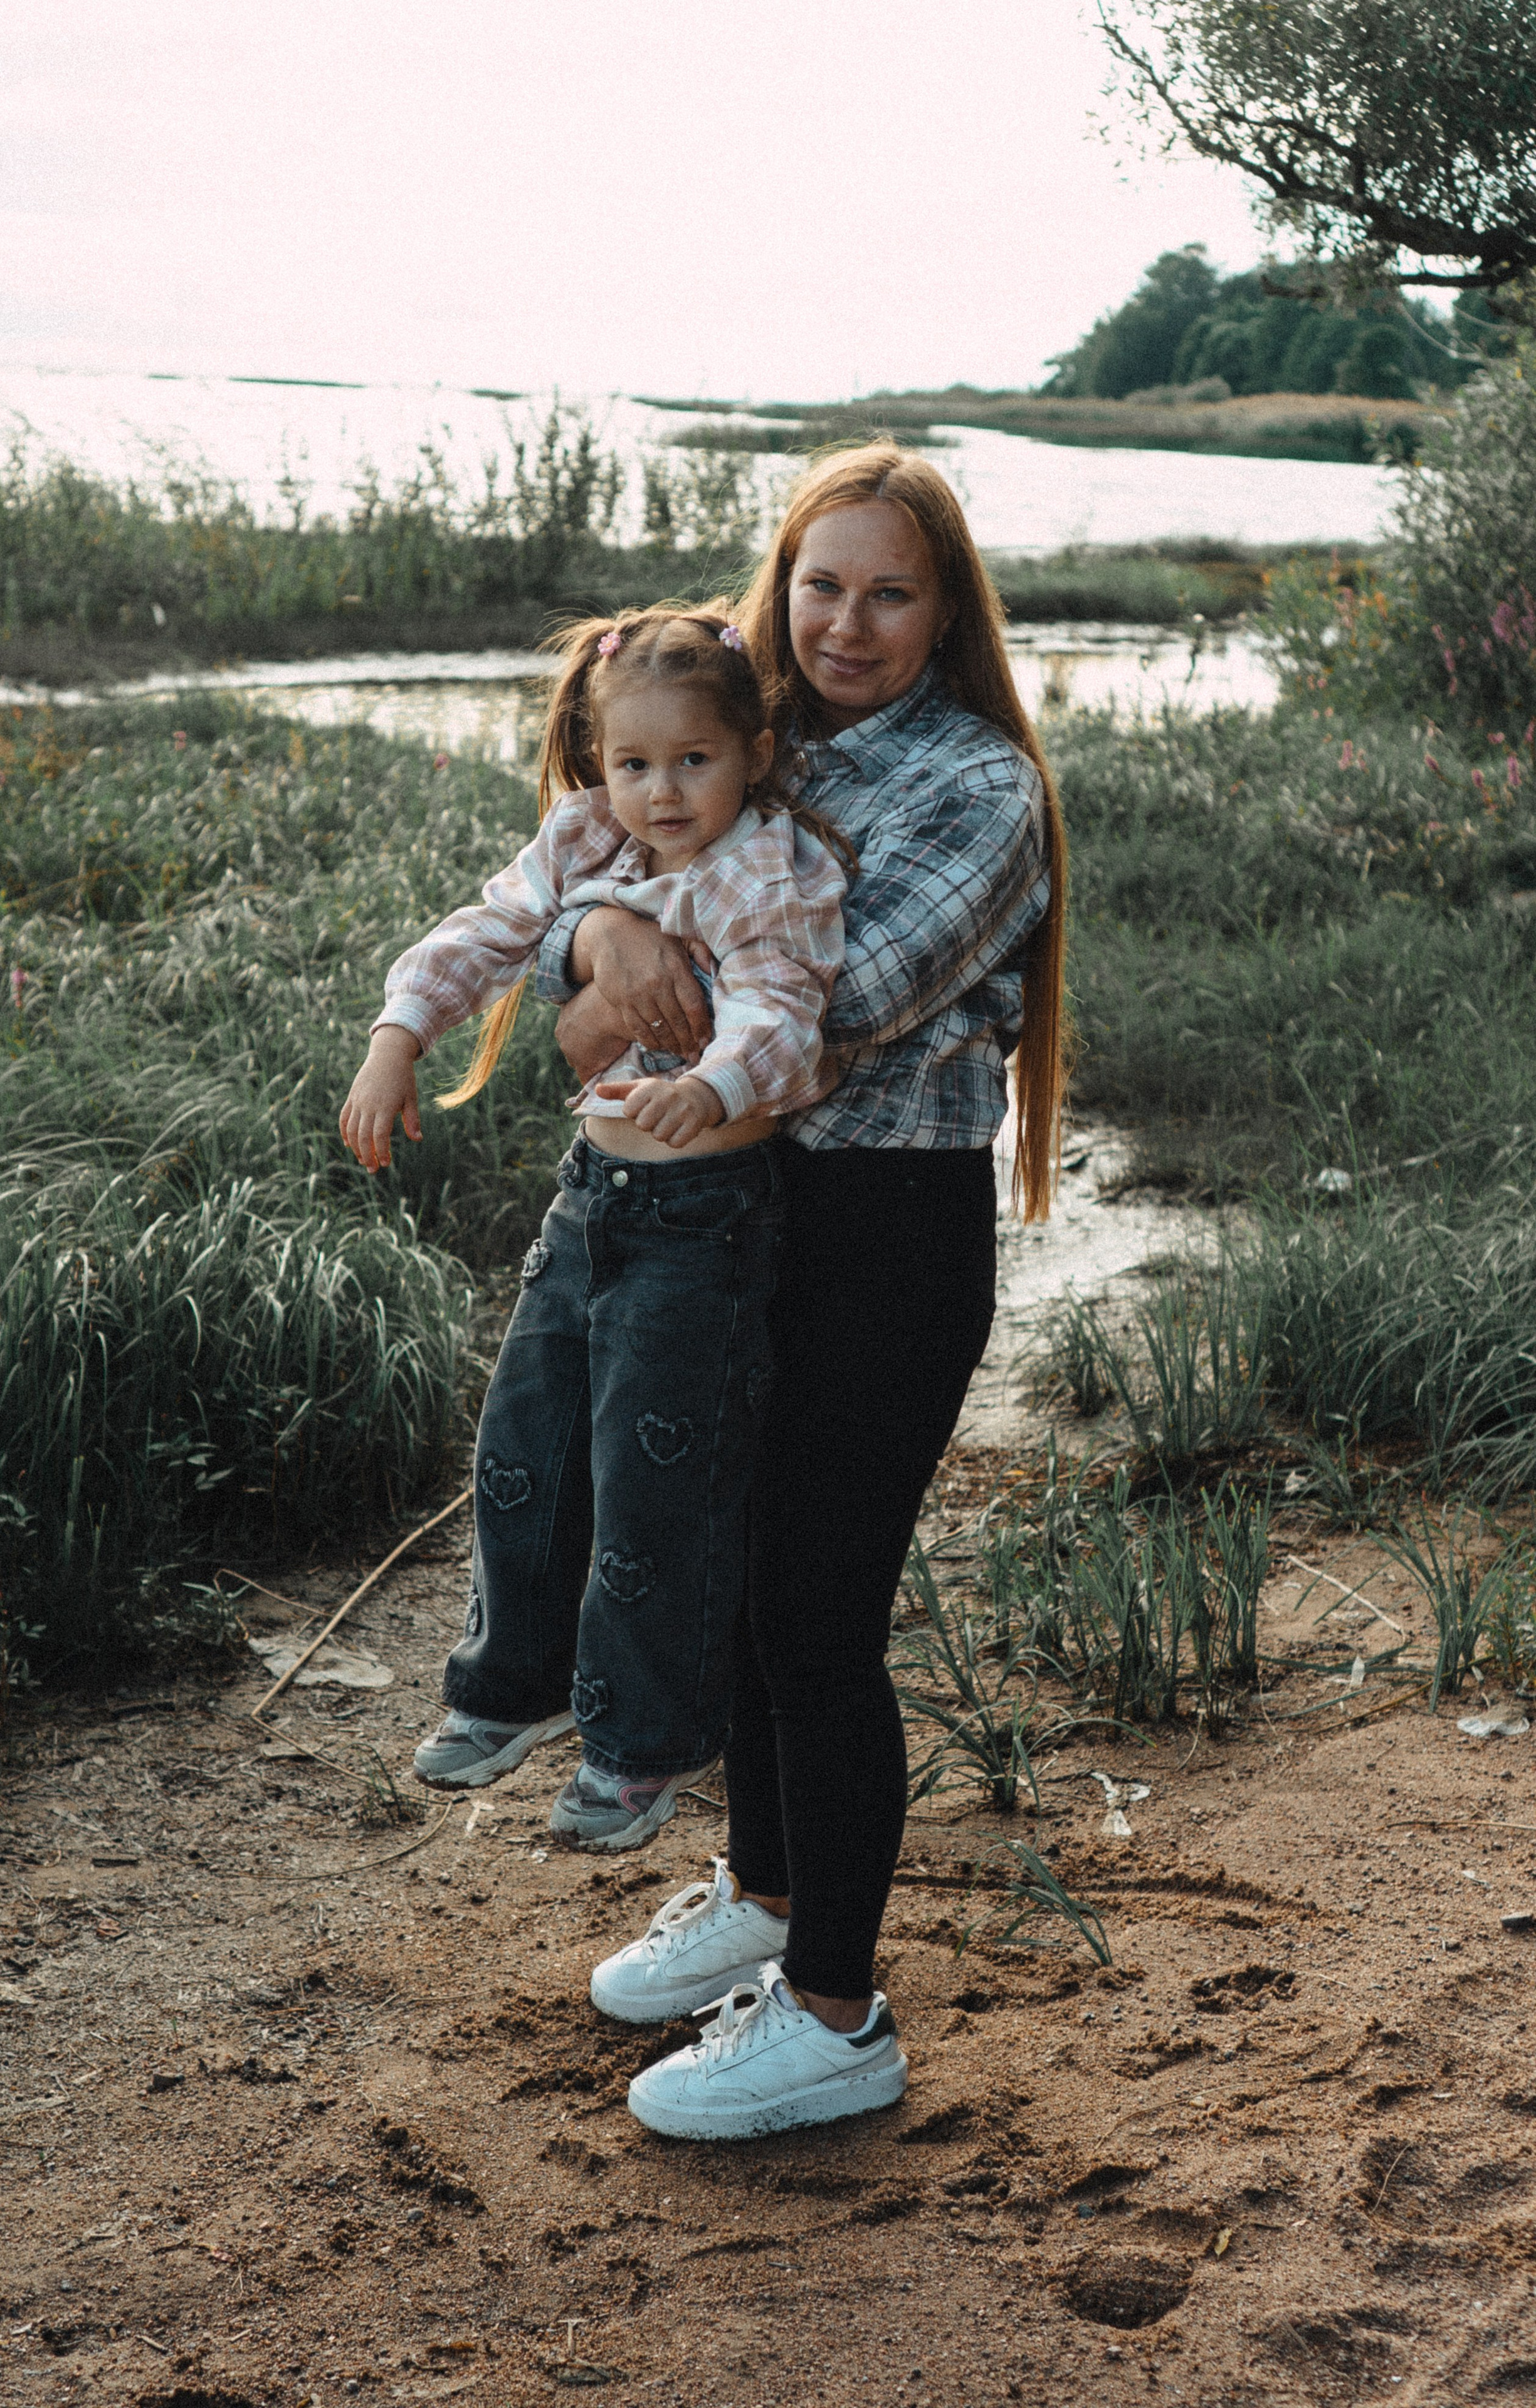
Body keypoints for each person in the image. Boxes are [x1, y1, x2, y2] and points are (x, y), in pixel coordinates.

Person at [545, 445, 1070, 2138]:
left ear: (945, 611)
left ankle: (838, 2014)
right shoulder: (749, 736)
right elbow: (575, 862)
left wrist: (625, 951)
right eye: (820, 583)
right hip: (742, 1220)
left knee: (821, 1613)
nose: (846, 621)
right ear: (779, 585)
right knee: (743, 1580)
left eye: (891, 590)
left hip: (888, 1239)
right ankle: (764, 1902)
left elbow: (815, 1010)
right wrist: (583, 943)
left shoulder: (978, 790)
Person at [339, 606, 848, 1852]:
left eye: (692, 762)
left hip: (704, 1216)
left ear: (752, 753)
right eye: (633, 765)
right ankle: (508, 1690)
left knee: (651, 1488)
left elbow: (782, 1013)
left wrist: (710, 1083)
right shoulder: (583, 840)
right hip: (592, 1198)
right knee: (522, 1449)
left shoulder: (765, 867)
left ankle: (638, 1747)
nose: (661, 793)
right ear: (596, 763)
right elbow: (486, 933)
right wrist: (397, 1036)